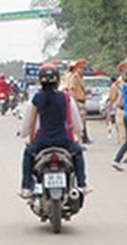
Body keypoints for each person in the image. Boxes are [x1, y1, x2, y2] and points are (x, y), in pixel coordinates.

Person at [19, 63, 90, 198]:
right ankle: (82, 184)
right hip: (63, 141)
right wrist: (79, 133)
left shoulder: (36, 99)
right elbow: (77, 126)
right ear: (57, 80)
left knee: (28, 154)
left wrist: (24, 134)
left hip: (42, 142)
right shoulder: (65, 98)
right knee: (78, 152)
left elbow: (28, 126)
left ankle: (26, 187)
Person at [106, 62, 127, 162]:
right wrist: (109, 114)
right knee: (123, 134)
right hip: (121, 110)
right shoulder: (116, 85)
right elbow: (112, 100)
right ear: (121, 72)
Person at [63, 60, 91, 144]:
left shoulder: (79, 77)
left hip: (81, 101)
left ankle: (82, 140)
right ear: (76, 69)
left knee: (82, 122)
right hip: (77, 102)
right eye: (81, 68)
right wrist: (75, 104)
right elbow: (72, 91)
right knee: (78, 123)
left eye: (84, 69)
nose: (83, 70)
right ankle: (78, 141)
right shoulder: (74, 77)